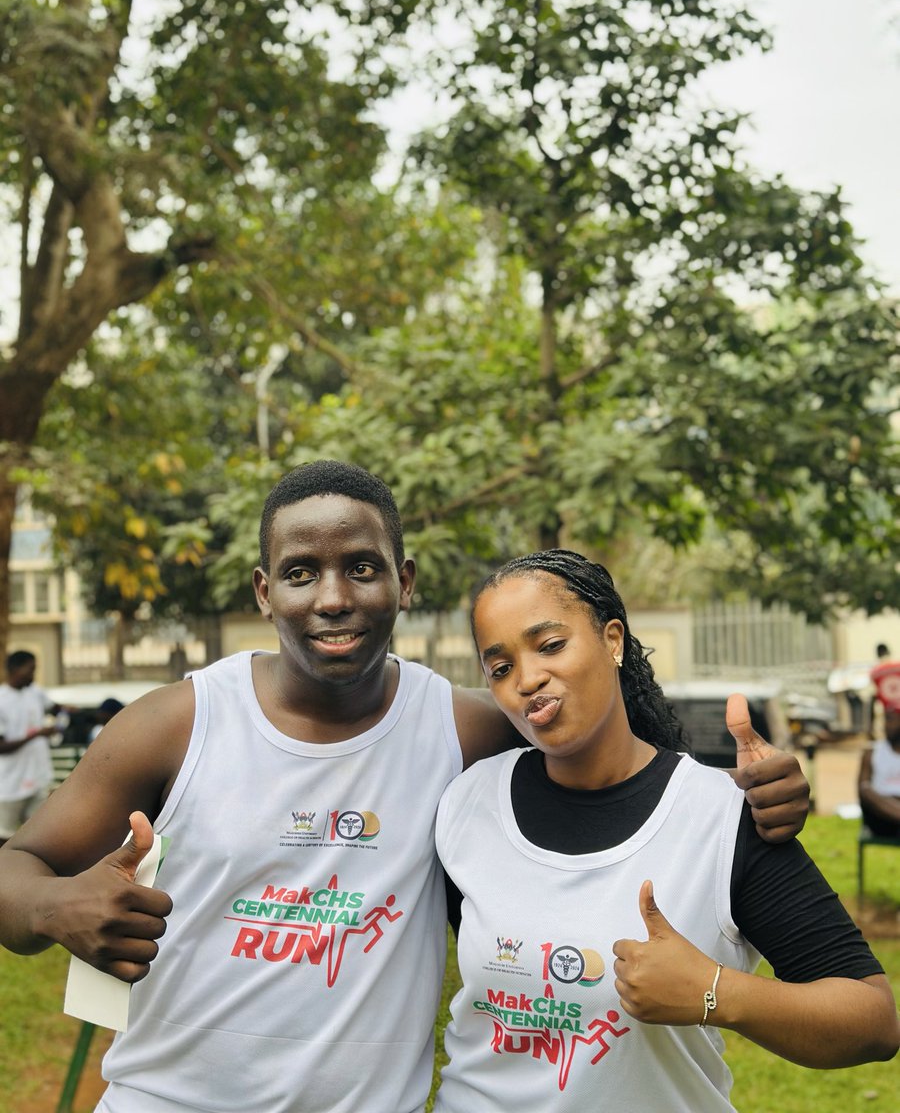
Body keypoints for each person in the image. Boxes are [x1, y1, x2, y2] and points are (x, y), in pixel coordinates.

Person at [0, 462, 809, 1113]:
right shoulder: (176, 724)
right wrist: (53, 907)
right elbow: (17, 863)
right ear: (263, 591)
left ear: (405, 580)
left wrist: (757, 794)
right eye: (300, 573)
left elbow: (623, 773)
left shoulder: (463, 731)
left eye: (361, 567)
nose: (333, 597)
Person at [434, 550, 898, 1111]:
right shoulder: (467, 804)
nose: (528, 679)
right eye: (501, 668)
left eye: (550, 645)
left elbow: (873, 1021)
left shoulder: (720, 818)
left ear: (613, 640)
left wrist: (714, 991)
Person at [0, 650, 63, 846]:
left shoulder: (34, 692)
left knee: (39, 834)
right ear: (15, 669)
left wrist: (66, 713)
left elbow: (55, 708)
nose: (33, 675)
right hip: (9, 783)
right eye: (30, 669)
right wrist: (36, 734)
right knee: (5, 834)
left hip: (37, 777)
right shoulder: (2, 699)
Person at [858, 697, 900, 839]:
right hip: (881, 819)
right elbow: (863, 791)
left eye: (891, 719)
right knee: (867, 789)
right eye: (885, 719)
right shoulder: (872, 752)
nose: (886, 725)